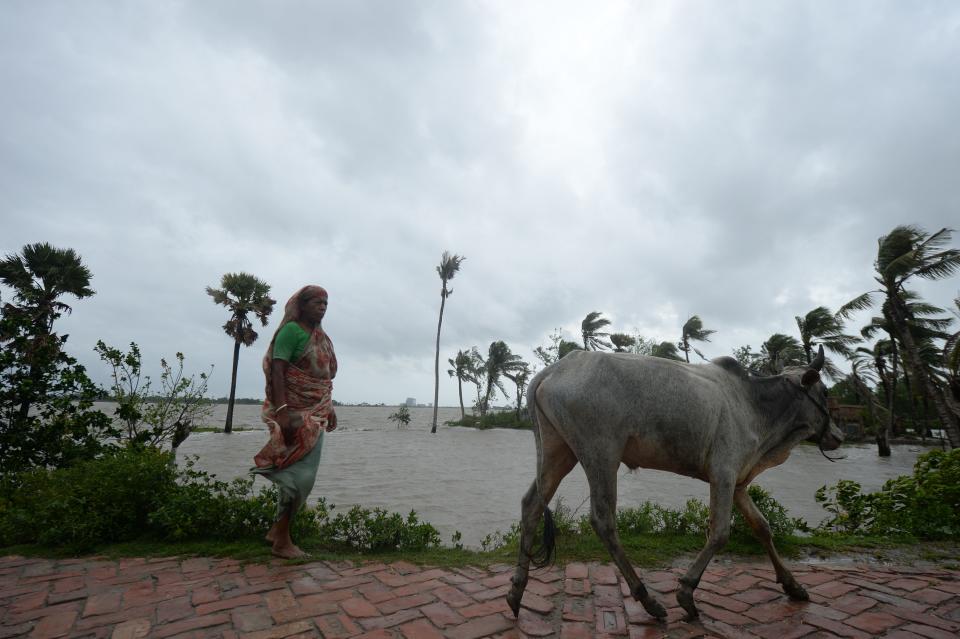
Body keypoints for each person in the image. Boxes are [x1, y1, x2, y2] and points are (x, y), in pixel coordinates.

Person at [252, 285, 337, 558]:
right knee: (301, 477)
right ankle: (282, 542)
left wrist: (329, 407)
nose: (322, 307)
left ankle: (277, 531)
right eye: (316, 302)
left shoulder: (320, 336)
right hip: (294, 414)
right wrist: (283, 411)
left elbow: (323, 378)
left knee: (298, 473)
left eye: (325, 303)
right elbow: (278, 370)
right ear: (302, 305)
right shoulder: (291, 332)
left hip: (317, 411)